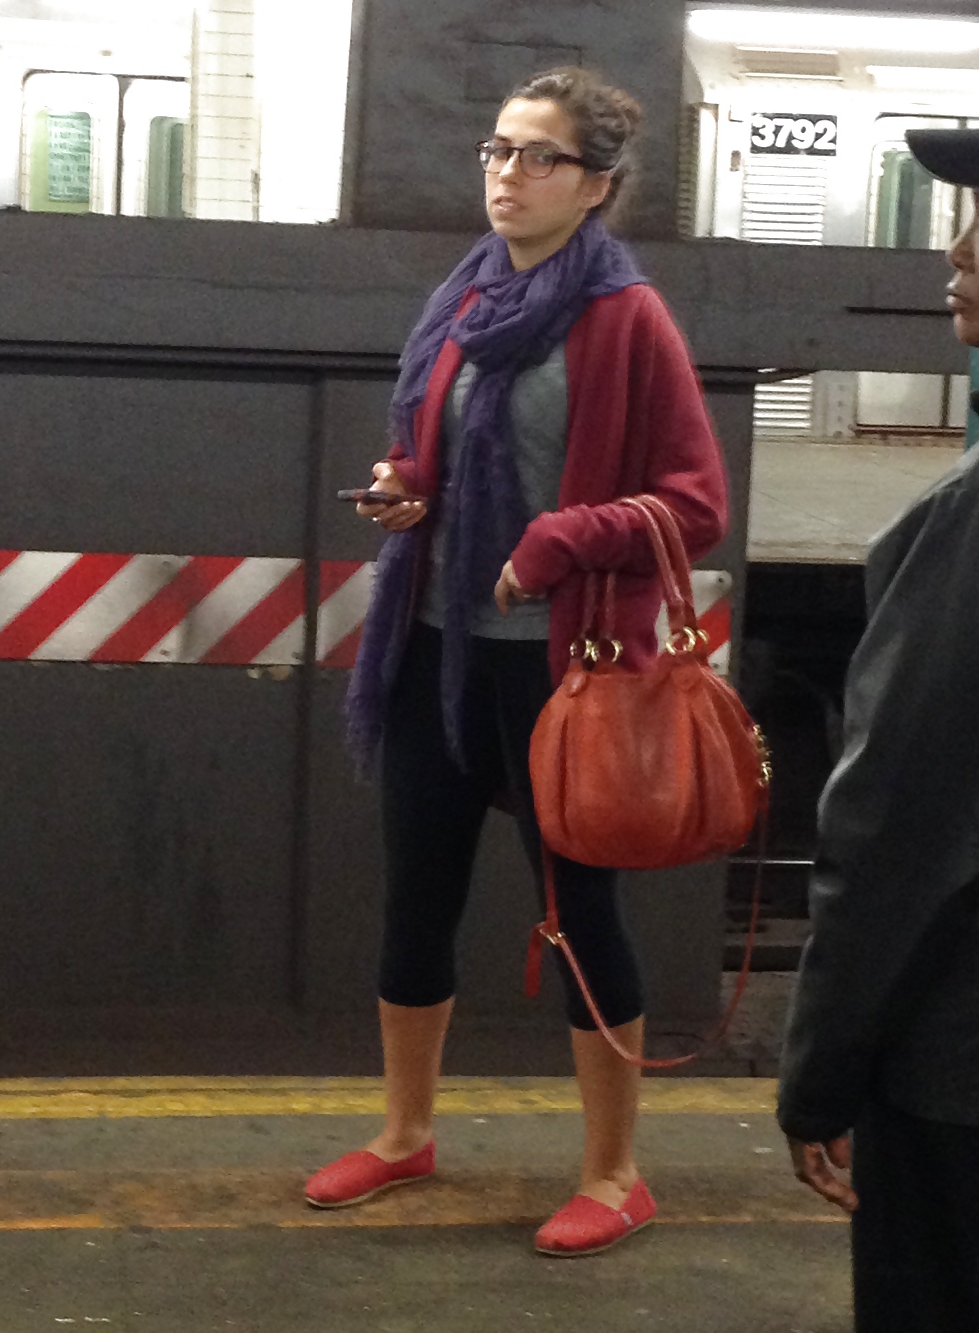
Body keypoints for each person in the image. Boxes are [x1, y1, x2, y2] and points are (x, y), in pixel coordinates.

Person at [307, 66, 727, 1257]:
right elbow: (435, 450)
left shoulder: (624, 317)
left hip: (563, 666)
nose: (505, 175)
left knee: (580, 908)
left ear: (595, 187)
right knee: (415, 901)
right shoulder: (467, 296)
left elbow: (693, 504)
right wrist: (409, 490)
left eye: (536, 158)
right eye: (496, 151)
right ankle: (403, 1133)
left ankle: (615, 1171)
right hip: (435, 645)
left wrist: (556, 540)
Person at [777, 125, 979, 1331]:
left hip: (967, 1090)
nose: (955, 251)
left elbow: (898, 840)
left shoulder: (970, 525)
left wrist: (818, 1076)